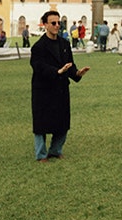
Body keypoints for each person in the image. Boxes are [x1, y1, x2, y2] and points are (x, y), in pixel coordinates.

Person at [30, 9, 89, 161]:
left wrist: (77, 73)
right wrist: (57, 71)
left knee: (62, 123)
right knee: (41, 124)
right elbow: (38, 66)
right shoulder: (38, 47)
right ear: (45, 25)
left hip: (61, 89)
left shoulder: (64, 43)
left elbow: (70, 65)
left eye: (59, 23)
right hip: (43, 89)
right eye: (53, 23)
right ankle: (41, 154)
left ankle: (55, 150)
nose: (57, 26)